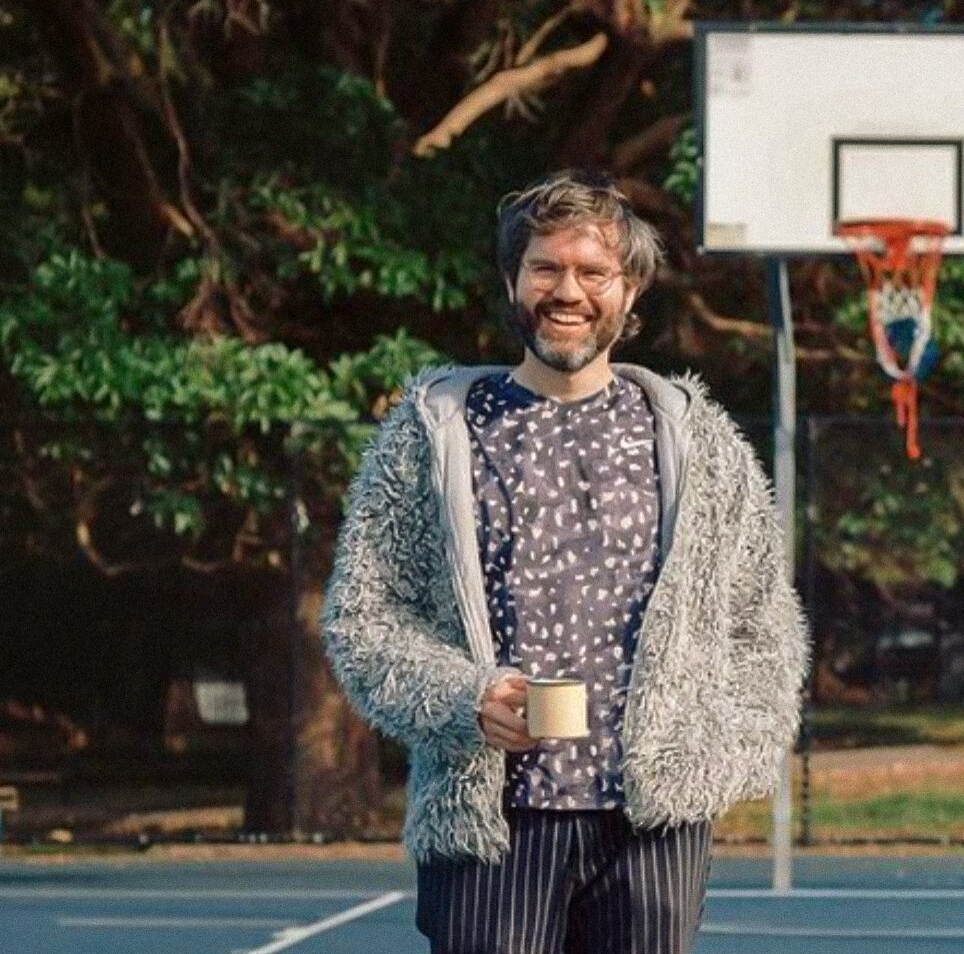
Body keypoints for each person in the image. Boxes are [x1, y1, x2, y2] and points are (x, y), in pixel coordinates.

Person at [322, 170, 808, 954]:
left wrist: (713, 757)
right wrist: (465, 699)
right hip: (494, 827)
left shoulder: (701, 444)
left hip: (650, 830)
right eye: (545, 267)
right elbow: (363, 620)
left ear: (630, 290)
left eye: (593, 272)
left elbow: (764, 630)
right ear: (514, 280)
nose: (567, 290)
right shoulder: (432, 434)